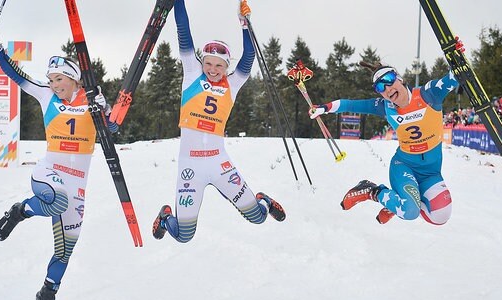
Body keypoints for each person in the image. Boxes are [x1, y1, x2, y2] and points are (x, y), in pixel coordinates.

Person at [0, 28, 117, 300]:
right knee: (58, 200)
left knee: (66, 249)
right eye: (52, 80)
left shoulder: (93, 100)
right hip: (48, 174)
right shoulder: (45, 95)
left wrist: (106, 113)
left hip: (77, 182)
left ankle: (47, 294)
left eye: (61, 79)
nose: (55, 85)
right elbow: (18, 76)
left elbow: (113, 130)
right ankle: (21, 210)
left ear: (75, 79)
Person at [152, 0, 285, 242]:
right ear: (202, 62)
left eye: (219, 66)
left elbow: (249, 56)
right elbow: (183, 30)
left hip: (219, 161)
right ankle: (165, 217)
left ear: (226, 67)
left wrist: (244, 24)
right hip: (190, 164)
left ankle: (262, 200)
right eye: (209, 63)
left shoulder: (232, 84)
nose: (213, 69)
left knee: (258, 217)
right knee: (183, 235)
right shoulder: (192, 72)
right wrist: (178, 3)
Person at [310, 61, 459, 225]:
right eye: (380, 87)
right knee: (410, 212)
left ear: (399, 78)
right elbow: (349, 104)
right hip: (405, 166)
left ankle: (396, 204)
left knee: (440, 216)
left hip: (431, 172)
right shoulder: (385, 107)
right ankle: (373, 191)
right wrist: (324, 108)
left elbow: (455, 76)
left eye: (389, 79)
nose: (388, 89)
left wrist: (457, 58)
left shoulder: (429, 94)